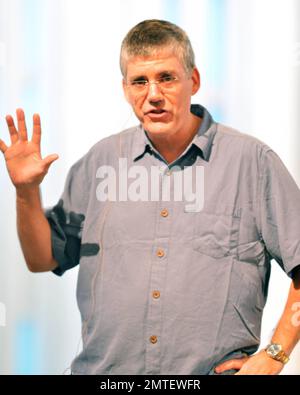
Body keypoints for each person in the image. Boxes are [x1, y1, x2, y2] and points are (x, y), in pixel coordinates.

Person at [0, 19, 300, 375]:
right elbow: (43, 258)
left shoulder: (252, 163)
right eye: (140, 81)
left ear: (194, 81)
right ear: (125, 88)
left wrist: (276, 354)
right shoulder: (100, 162)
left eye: (167, 78)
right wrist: (26, 191)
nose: (153, 94)